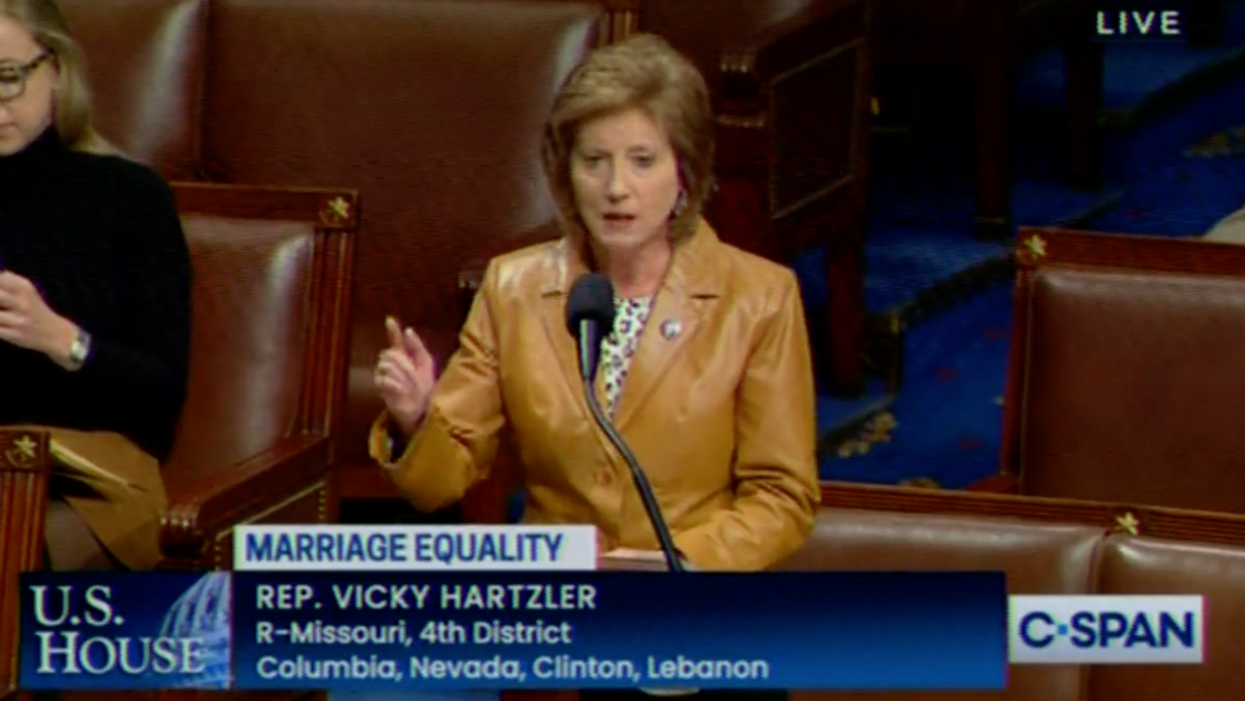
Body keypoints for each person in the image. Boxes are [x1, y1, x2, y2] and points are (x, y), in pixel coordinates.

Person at [371, 31, 818, 571]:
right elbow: (436, 486)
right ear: (567, 175)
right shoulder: (514, 289)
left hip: (687, 604)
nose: (616, 187)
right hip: (555, 604)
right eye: (595, 161)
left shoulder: (759, 299)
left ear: (684, 174)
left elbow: (781, 499)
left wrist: (670, 564)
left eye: (642, 161)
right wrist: (418, 420)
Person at [0, 0, 192, 572]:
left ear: (56, 68)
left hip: (85, 477)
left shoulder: (130, 198)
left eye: (7, 78)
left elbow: (161, 395)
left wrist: (60, 338)